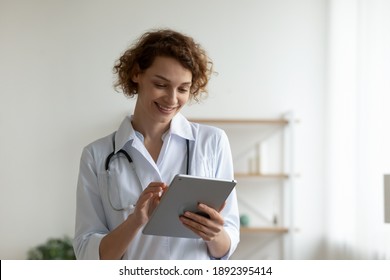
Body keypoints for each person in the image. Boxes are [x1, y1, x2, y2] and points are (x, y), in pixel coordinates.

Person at [73, 28, 240, 260]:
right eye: (161, 85)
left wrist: (214, 234)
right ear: (136, 74)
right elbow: (87, 254)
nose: (172, 99)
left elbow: (228, 241)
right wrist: (136, 221)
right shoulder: (97, 155)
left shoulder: (212, 142)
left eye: (183, 89)